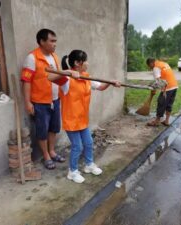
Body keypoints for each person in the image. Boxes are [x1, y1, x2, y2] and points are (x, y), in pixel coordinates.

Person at [48, 50, 121, 183]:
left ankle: (89, 165)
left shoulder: (86, 77)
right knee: (77, 146)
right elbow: (50, 78)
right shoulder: (67, 80)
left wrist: (111, 82)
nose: (87, 63)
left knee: (88, 143)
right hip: (71, 121)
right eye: (85, 60)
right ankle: (73, 171)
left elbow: (100, 87)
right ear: (77, 63)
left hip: (82, 119)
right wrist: (68, 72)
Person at [21, 28, 65, 170]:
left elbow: (58, 77)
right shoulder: (32, 58)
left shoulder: (55, 57)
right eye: (52, 41)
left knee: (54, 128)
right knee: (42, 130)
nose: (54, 44)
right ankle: (45, 155)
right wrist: (28, 102)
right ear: (42, 41)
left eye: (55, 41)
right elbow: (26, 81)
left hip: (55, 100)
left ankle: (52, 151)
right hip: (40, 102)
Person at [146, 58, 178, 126]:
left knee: (161, 103)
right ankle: (166, 121)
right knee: (169, 104)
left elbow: (159, 81)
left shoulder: (156, 68)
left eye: (149, 66)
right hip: (174, 86)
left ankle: (156, 122)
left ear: (151, 63)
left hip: (167, 88)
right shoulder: (164, 63)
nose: (150, 68)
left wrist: (154, 88)